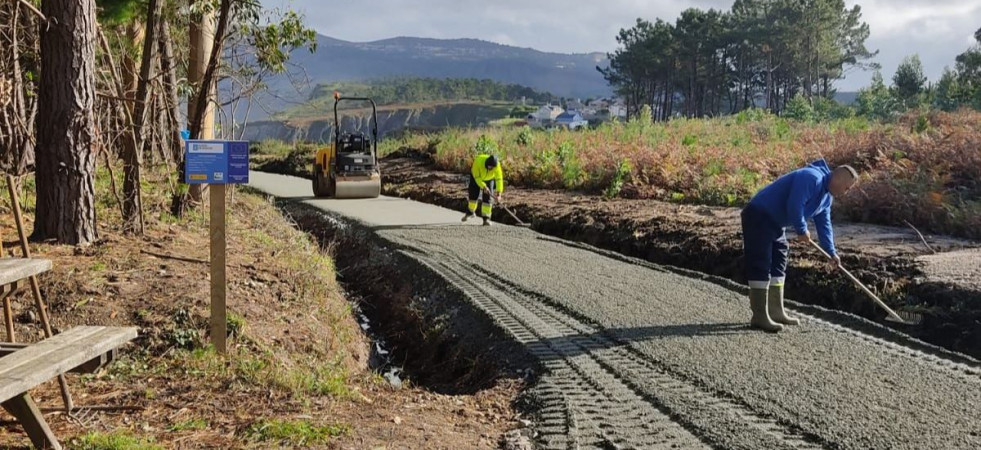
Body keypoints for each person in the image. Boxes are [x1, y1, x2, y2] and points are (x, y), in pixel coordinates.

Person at [741, 159, 858, 332]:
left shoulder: (826, 198)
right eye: (847, 188)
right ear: (838, 179)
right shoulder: (811, 177)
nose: (846, 192)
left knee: (779, 258)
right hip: (759, 214)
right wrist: (801, 229)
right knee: (761, 262)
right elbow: (794, 204)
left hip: (775, 223)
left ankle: (776, 310)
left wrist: (831, 252)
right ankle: (759, 316)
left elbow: (824, 225)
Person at [462, 154, 504, 226]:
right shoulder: (478, 162)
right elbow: (477, 178)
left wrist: (499, 194)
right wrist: (484, 186)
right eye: (489, 167)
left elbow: (499, 179)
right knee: (473, 195)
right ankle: (470, 212)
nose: (491, 168)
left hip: (489, 179)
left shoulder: (497, 165)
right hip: (476, 177)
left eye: (492, 168)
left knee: (488, 198)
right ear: (486, 164)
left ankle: (486, 218)